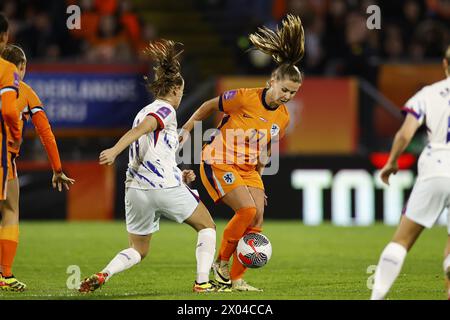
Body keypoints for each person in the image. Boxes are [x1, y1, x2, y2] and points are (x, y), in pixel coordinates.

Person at [78, 39, 223, 293]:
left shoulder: (143, 109)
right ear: (176, 90)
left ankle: (106, 273)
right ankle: (202, 282)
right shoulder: (165, 111)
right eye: (182, 92)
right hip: (162, 187)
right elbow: (142, 129)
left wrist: (179, 173)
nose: (181, 97)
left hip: (135, 189)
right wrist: (114, 149)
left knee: (138, 249)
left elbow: (152, 150)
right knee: (207, 226)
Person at [180, 14, 304, 291]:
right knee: (247, 210)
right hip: (219, 161)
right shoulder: (245, 97)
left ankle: (236, 279)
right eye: (284, 89)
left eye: (293, 93)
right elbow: (210, 105)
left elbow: (266, 147)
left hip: (249, 169)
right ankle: (220, 262)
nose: (287, 96)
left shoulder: (282, 118)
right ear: (272, 80)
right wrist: (188, 127)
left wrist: (258, 181)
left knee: (257, 216)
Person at [371, 45, 450, 300]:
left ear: (445, 64)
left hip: (436, 165)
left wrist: (392, 161)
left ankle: (377, 297)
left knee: (402, 240)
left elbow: (405, 132)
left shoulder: (428, 93)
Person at [0, 44, 75, 291]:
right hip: (3, 158)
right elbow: (45, 133)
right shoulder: (25, 92)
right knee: (10, 211)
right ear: (21, 67)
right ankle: (6, 275)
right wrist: (57, 168)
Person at [0, 13, 23, 292]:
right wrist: (15, 135)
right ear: (5, 37)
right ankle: (5, 274)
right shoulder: (7, 70)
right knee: (9, 210)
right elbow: (8, 109)